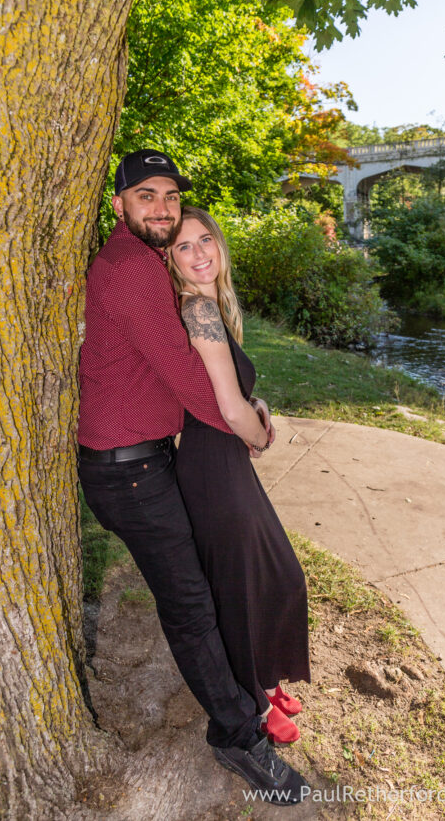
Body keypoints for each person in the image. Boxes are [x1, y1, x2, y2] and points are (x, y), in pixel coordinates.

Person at [77, 148, 307, 805]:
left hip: (148, 460)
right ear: (119, 204)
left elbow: (173, 371)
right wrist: (250, 427)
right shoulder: (129, 268)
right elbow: (188, 375)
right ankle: (238, 737)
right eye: (146, 195)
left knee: (205, 589)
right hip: (127, 473)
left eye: (171, 196)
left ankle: (249, 693)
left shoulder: (145, 264)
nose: (163, 207)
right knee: (189, 606)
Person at [168, 206, 311, 746]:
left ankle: (265, 678)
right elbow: (228, 411)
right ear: (170, 258)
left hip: (219, 460)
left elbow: (227, 392)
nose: (200, 252)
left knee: (275, 573)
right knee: (244, 585)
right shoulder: (196, 310)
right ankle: (253, 696)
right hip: (213, 466)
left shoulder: (208, 307)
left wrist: (258, 405)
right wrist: (258, 433)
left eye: (206, 239)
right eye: (184, 246)